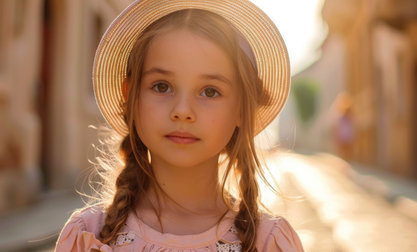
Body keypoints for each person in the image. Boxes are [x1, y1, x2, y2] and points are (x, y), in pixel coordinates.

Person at [55, 0, 303, 251]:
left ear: (241, 107)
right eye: (162, 86)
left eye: (210, 91)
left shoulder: (269, 242)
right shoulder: (88, 236)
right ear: (130, 96)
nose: (182, 111)